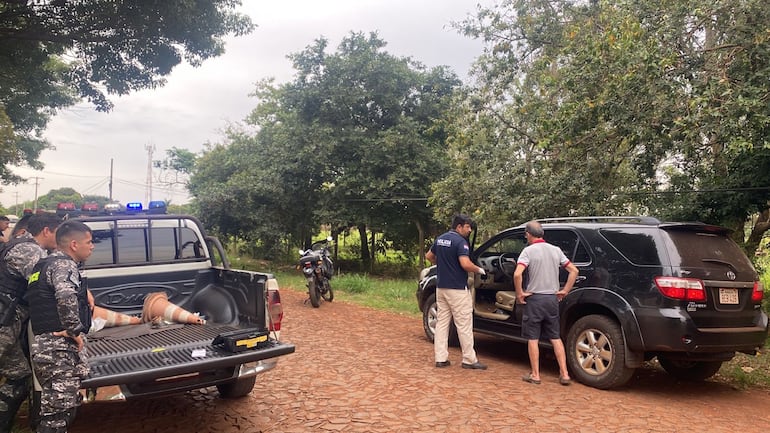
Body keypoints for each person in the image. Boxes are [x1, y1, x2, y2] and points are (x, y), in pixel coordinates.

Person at [28, 220, 94, 433]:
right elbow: (66, 296)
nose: (92, 246)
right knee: (58, 416)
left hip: (45, 345)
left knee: (60, 408)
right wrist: (74, 330)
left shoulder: (43, 264)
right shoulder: (64, 265)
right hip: (57, 348)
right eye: (89, 242)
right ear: (74, 244)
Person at [0, 213, 60, 432]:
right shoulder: (29, 251)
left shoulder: (24, 246)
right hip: (3, 326)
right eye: (58, 233)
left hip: (8, 327)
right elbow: (49, 282)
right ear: (46, 231)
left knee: (19, 375)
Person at [514, 220, 579, 386]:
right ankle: (564, 374)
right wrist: (565, 290)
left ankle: (535, 374)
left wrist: (520, 293)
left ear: (528, 234)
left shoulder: (528, 251)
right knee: (555, 337)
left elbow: (517, 274)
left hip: (535, 299)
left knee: (533, 338)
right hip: (552, 299)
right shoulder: (556, 250)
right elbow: (574, 270)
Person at [426, 214, 487, 370]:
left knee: (442, 323)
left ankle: (441, 358)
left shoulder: (441, 239)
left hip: (441, 287)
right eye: (467, 227)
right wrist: (479, 269)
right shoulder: (461, 242)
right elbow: (465, 264)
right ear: (459, 227)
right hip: (457, 289)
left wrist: (444, 264)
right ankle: (469, 359)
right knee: (464, 324)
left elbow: (429, 256)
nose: (469, 230)